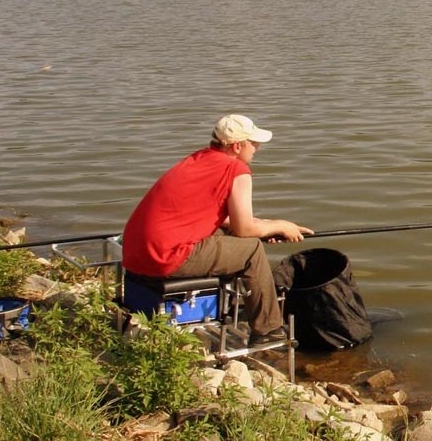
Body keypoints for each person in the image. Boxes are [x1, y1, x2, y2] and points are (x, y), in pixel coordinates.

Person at [122, 114, 313, 346]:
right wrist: (282, 225)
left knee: (240, 239)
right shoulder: (236, 169)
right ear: (237, 146)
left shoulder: (199, 159)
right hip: (164, 257)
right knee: (251, 250)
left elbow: (220, 219)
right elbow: (244, 229)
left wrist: (266, 227)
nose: (258, 148)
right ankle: (268, 330)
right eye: (253, 143)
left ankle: (236, 303)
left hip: (135, 254)